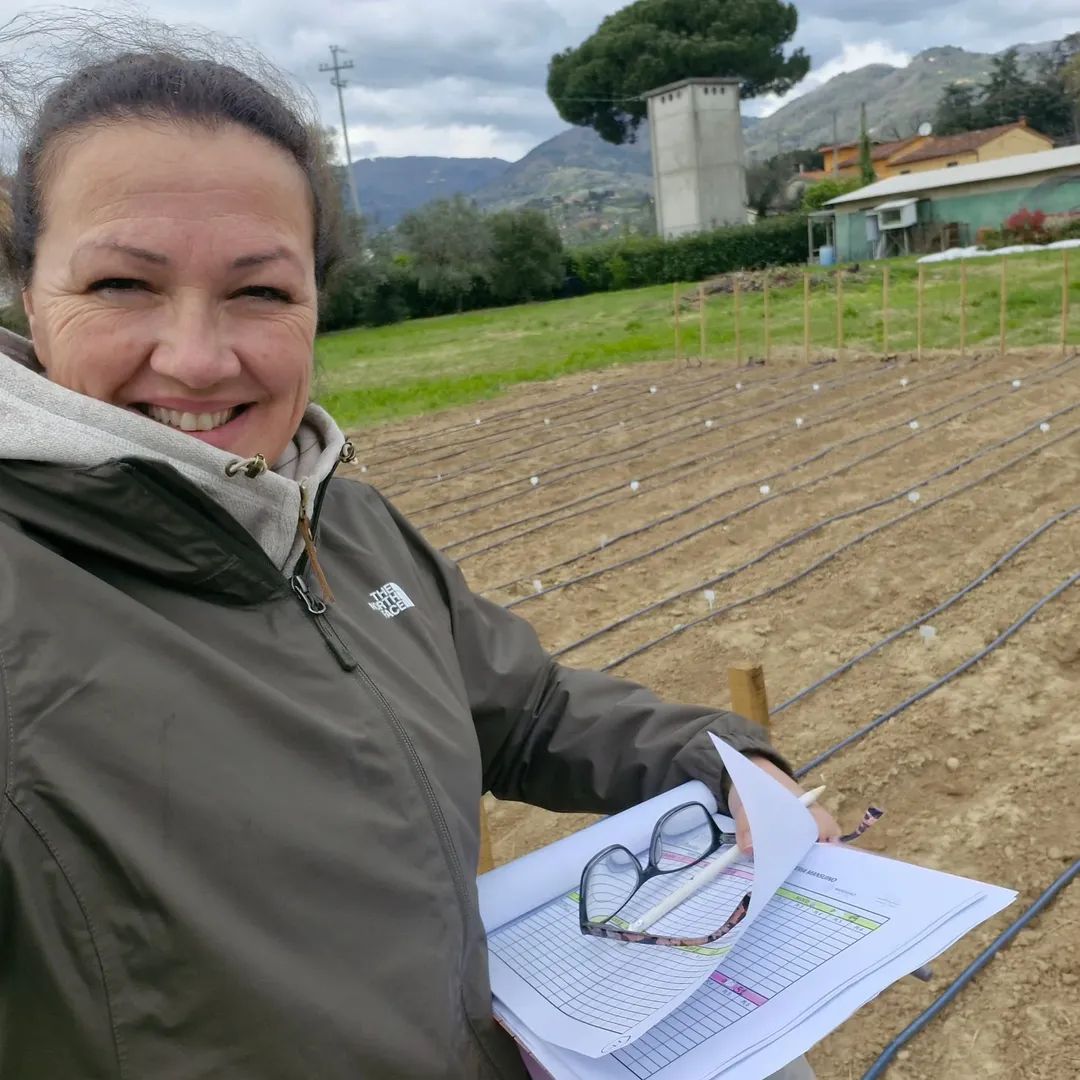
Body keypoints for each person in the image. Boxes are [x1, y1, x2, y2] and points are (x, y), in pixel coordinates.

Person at [0, 46, 834, 1080]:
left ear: (317, 302)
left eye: (259, 291)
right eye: (123, 283)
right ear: (28, 296)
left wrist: (720, 758)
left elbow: (522, 710)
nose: (199, 356)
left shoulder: (339, 518)